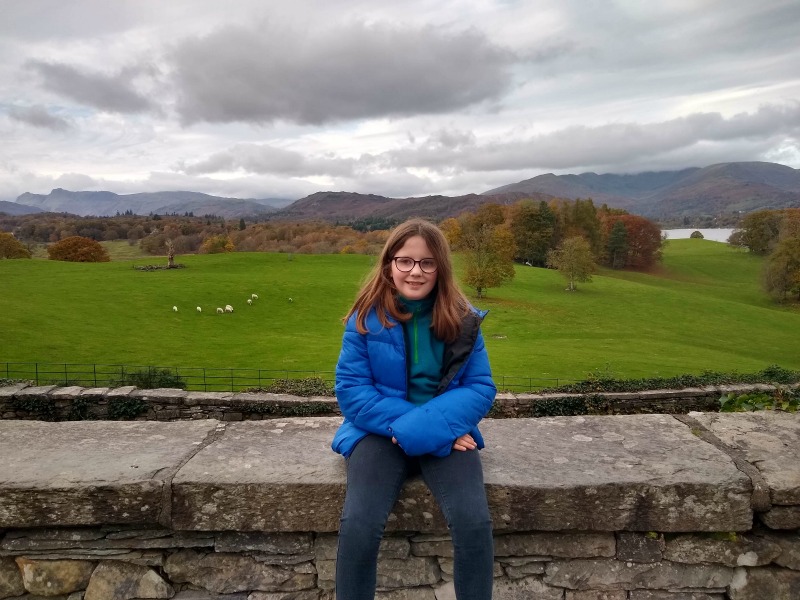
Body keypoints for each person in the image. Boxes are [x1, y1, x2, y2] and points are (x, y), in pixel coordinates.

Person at [332, 218, 496, 599]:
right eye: (405, 261)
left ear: (440, 267)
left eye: (426, 263)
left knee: (474, 523)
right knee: (359, 523)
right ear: (390, 264)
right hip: (379, 433)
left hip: (447, 432)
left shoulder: (464, 320)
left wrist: (434, 428)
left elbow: (480, 387)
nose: (415, 271)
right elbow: (353, 392)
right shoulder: (364, 319)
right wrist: (427, 429)